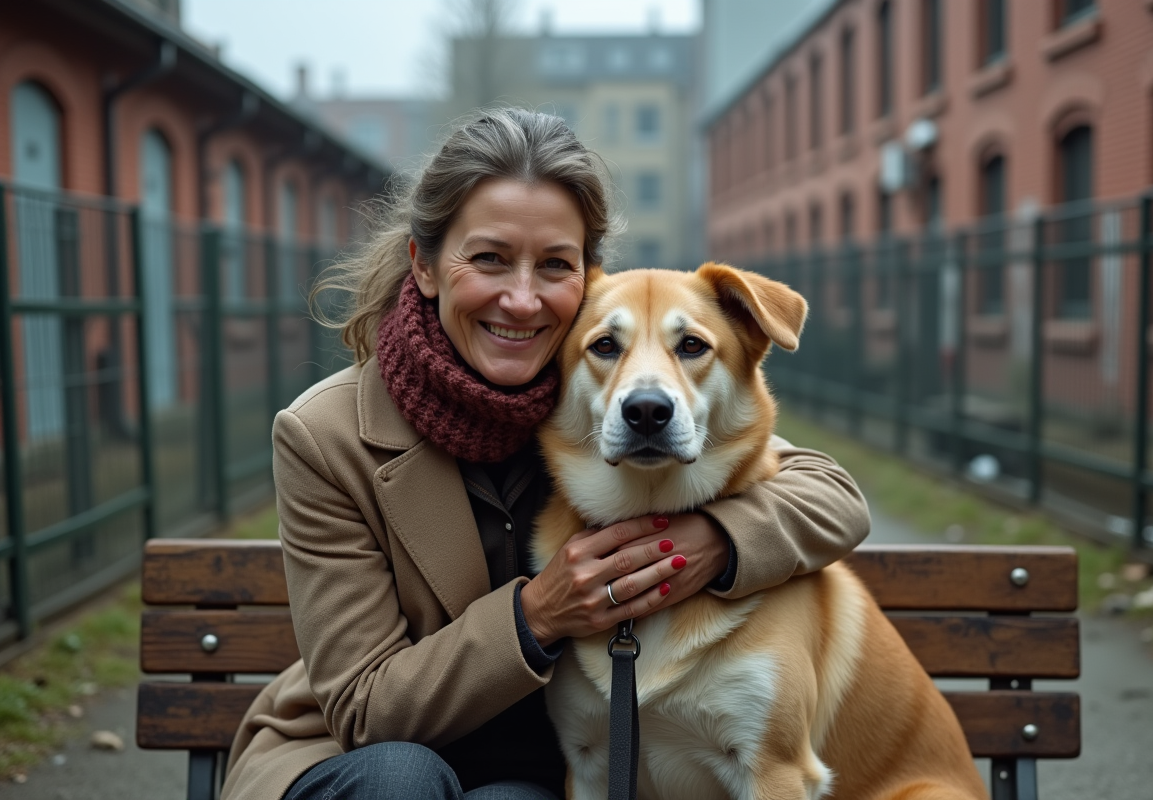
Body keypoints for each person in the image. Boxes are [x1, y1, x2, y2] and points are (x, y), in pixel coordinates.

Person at [219, 108, 871, 800]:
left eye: (555, 265)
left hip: (528, 769)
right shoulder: (325, 435)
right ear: (426, 265)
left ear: (586, 279)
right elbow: (367, 710)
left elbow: (826, 491)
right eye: (490, 259)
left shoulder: (598, 390)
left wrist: (712, 539)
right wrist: (539, 615)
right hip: (364, 757)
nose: (523, 299)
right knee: (401, 781)